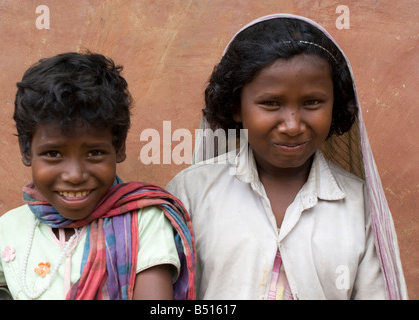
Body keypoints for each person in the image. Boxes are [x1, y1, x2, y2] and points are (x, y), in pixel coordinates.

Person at [167, 14, 407, 300]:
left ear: (336, 104)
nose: (292, 125)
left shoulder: (361, 206)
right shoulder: (191, 191)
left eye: (312, 102)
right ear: (236, 106)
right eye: (271, 103)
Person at [0, 52, 195, 300]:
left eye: (94, 153)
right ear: (27, 152)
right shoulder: (8, 229)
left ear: (119, 148)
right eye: (53, 153)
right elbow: (1, 292)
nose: (74, 175)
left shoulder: (144, 222)